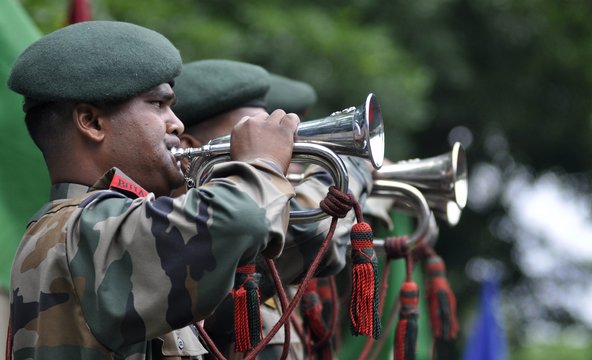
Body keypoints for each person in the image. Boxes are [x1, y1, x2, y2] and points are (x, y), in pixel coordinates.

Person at [6, 21, 299, 360]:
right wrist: (261, 162)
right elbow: (237, 221)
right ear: (92, 122)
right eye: (158, 104)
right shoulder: (84, 229)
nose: (177, 123)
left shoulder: (104, 224)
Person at [172, 59, 376, 359]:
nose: (283, 150)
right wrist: (354, 168)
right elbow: (313, 234)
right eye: (257, 137)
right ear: (191, 148)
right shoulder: (193, 229)